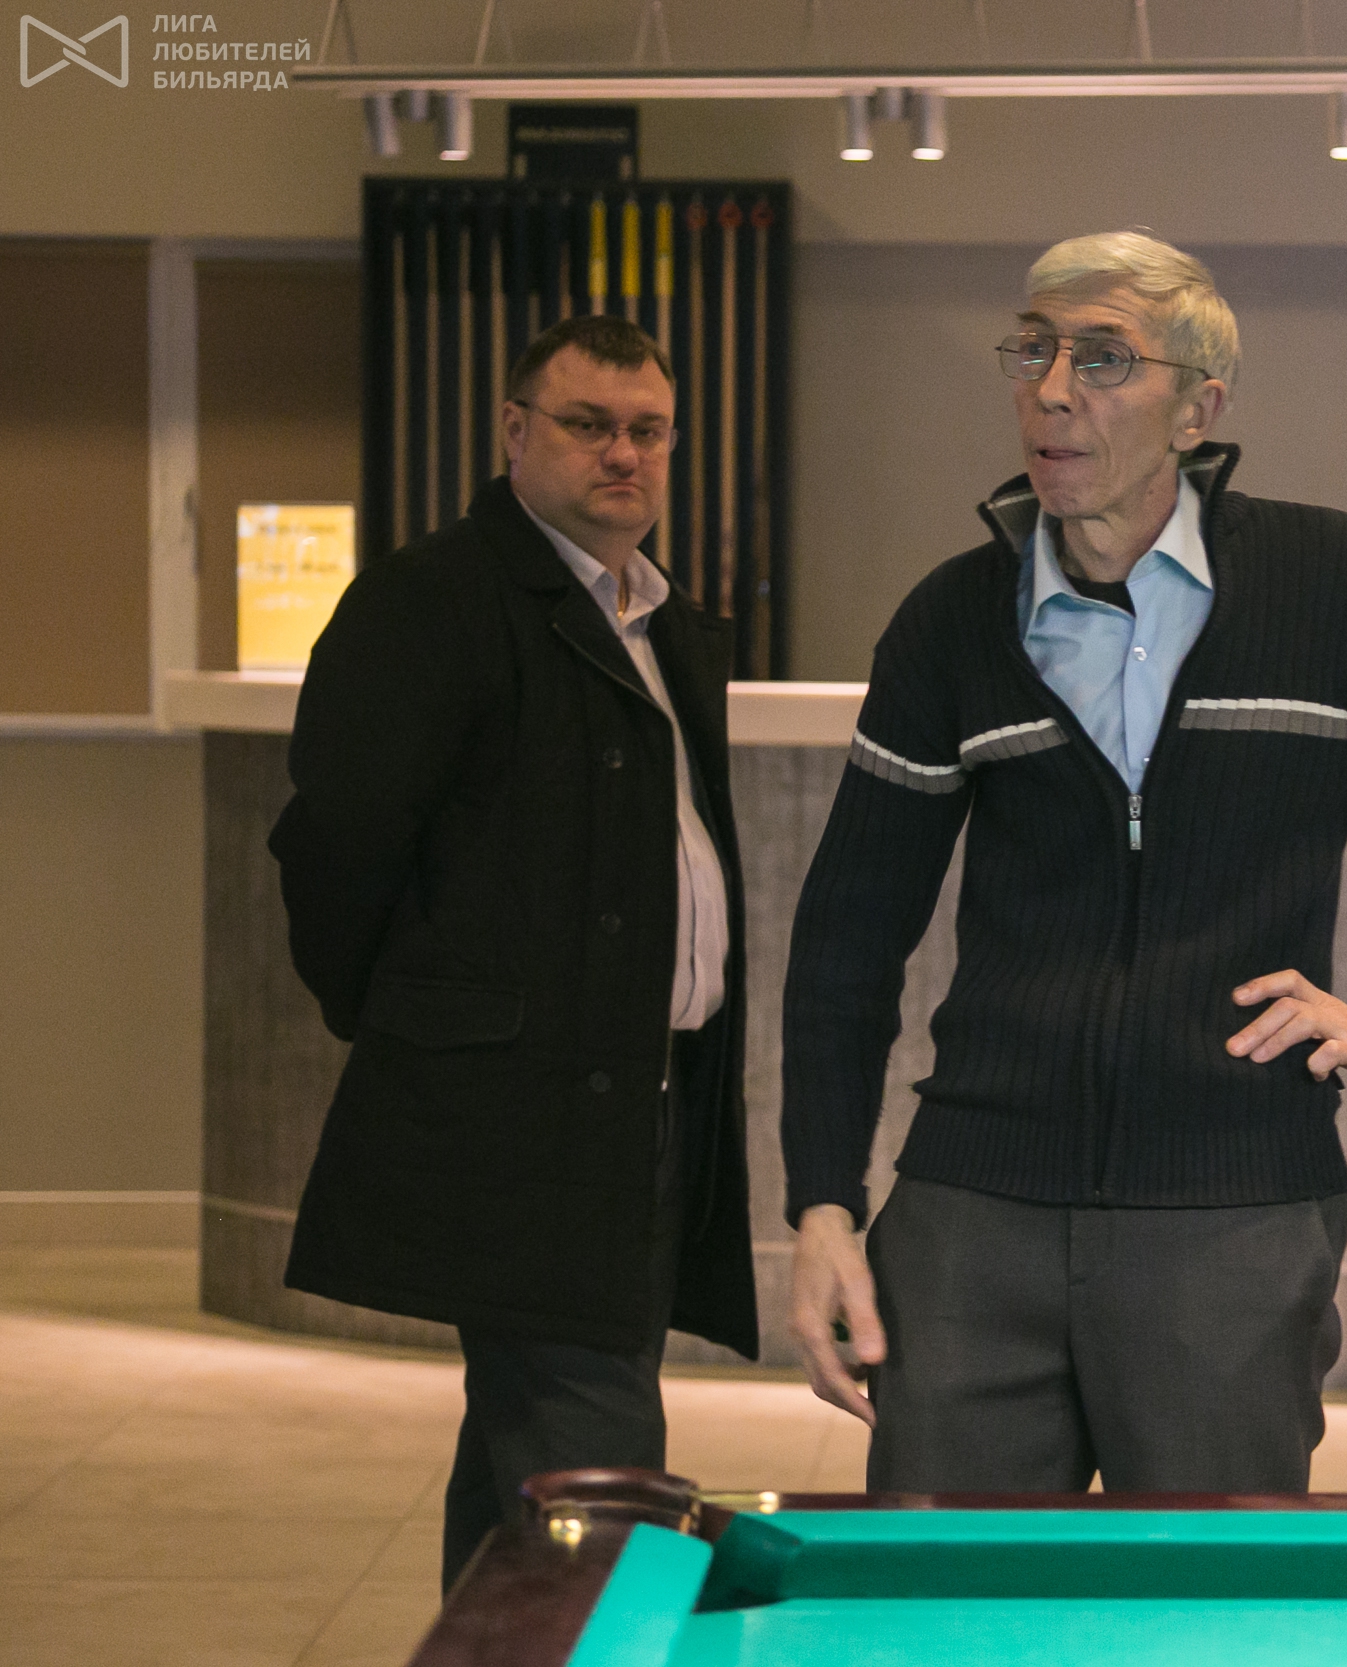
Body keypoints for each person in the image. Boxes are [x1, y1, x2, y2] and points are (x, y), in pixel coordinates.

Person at [779, 232, 1347, 1493]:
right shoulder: (950, 620)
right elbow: (847, 935)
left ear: (1198, 408)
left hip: (1233, 1217)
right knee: (943, 1593)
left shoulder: (1336, 584)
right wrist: (821, 1204)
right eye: (1034, 349)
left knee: (1213, 1594)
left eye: (1103, 358)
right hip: (971, 1217)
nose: (1052, 389)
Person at [268, 316, 755, 1587]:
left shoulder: (662, 619)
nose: (623, 454)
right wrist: (419, 1019)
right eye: (589, 425)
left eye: (647, 430)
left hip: (649, 1102)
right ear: (514, 431)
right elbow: (334, 845)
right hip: (515, 1112)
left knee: (520, 1466)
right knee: (601, 1482)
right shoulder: (431, 601)